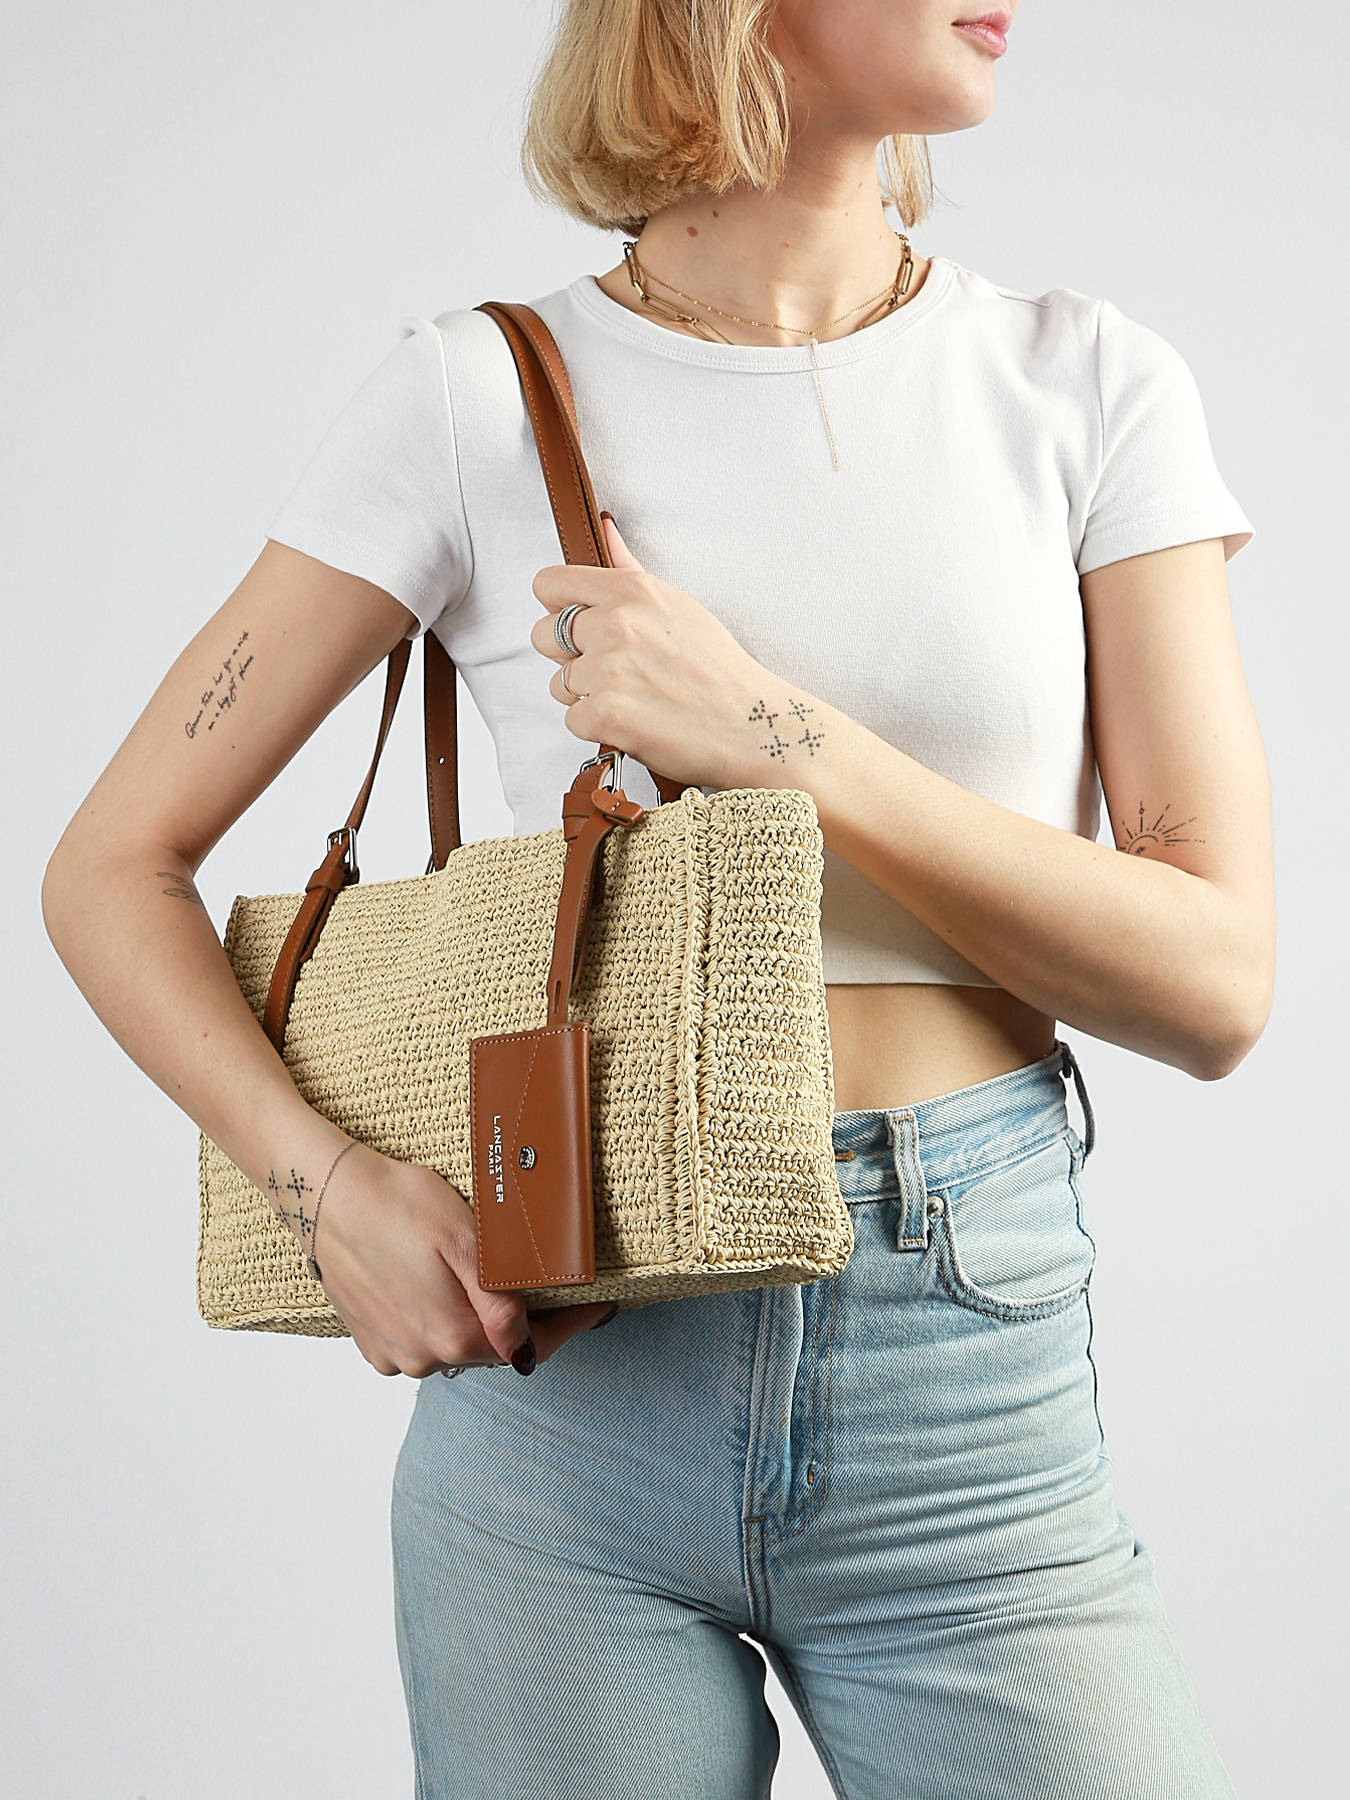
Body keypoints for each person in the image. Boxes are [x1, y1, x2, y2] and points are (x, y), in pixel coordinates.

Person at [42, 2, 1273, 1795]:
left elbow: (1215, 986)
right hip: (566, 1372)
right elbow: (108, 867)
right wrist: (321, 1189)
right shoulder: (476, 390)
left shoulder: (1084, 381)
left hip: (961, 1358)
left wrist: (772, 735)